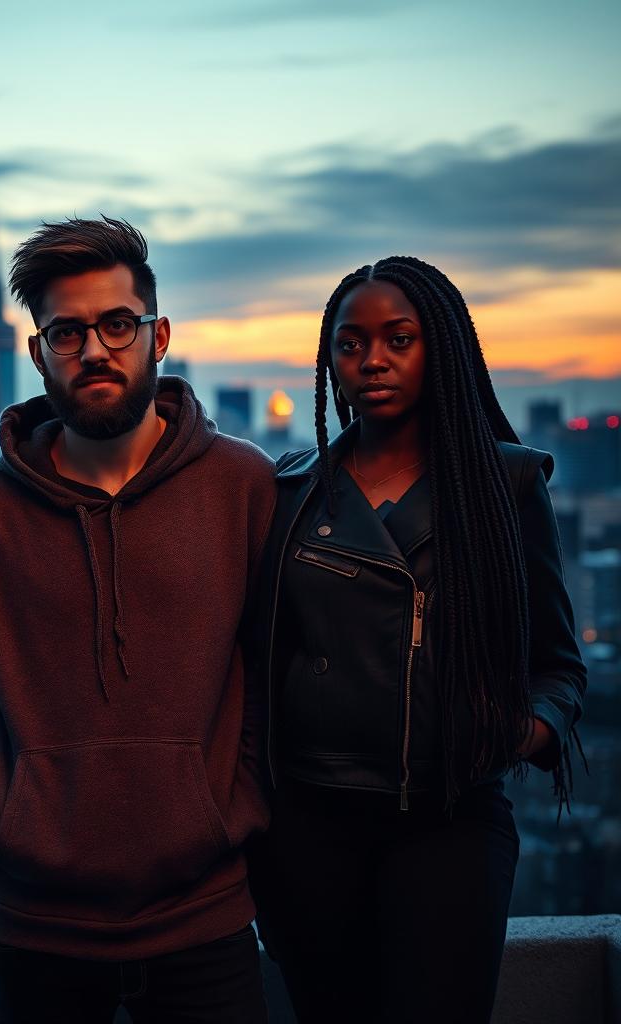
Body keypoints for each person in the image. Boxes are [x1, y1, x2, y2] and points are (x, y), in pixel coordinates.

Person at [0, 216, 277, 1023]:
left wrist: (232, 806)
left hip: (204, 920)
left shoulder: (244, 487)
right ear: (37, 354)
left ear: (159, 334)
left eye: (117, 325)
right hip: (32, 931)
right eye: (66, 333)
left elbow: (277, 667)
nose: (95, 350)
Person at [251, 256, 587, 1024]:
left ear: (440, 348)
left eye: (398, 339)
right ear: (328, 362)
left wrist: (524, 729)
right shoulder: (292, 492)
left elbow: (560, 664)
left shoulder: (505, 486)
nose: (372, 360)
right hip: (308, 825)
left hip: (450, 822)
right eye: (350, 343)